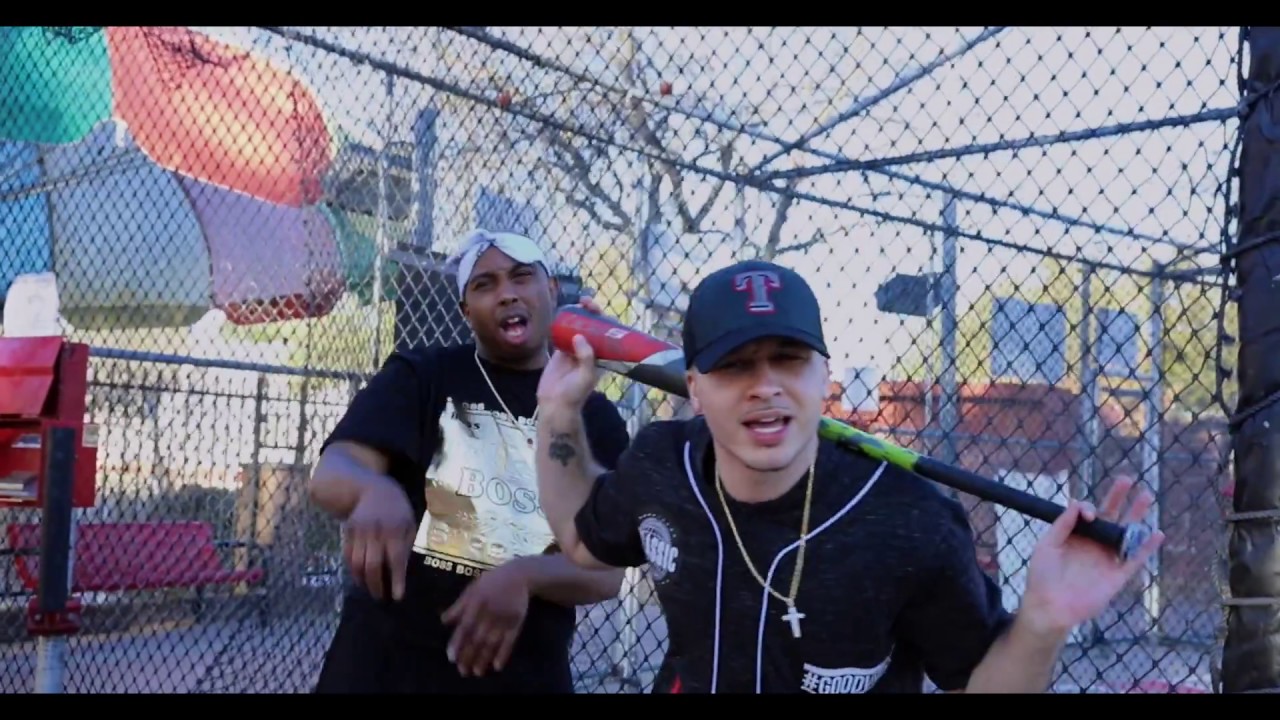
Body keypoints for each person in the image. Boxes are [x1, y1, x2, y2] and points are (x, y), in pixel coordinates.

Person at [533, 258, 1165, 694]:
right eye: (736, 366)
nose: (766, 386)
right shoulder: (663, 463)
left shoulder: (909, 520)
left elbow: (981, 684)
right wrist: (558, 411)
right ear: (694, 387)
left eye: (789, 359)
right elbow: (581, 542)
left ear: (823, 378)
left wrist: (1045, 620)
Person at [309, 229, 631, 694]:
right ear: (465, 311)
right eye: (484, 285)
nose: (506, 294)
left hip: (521, 675)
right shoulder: (422, 375)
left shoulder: (592, 416)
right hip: (384, 666)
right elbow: (333, 470)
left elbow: (605, 571)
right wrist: (372, 489)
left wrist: (525, 577)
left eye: (521, 277)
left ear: (552, 290)